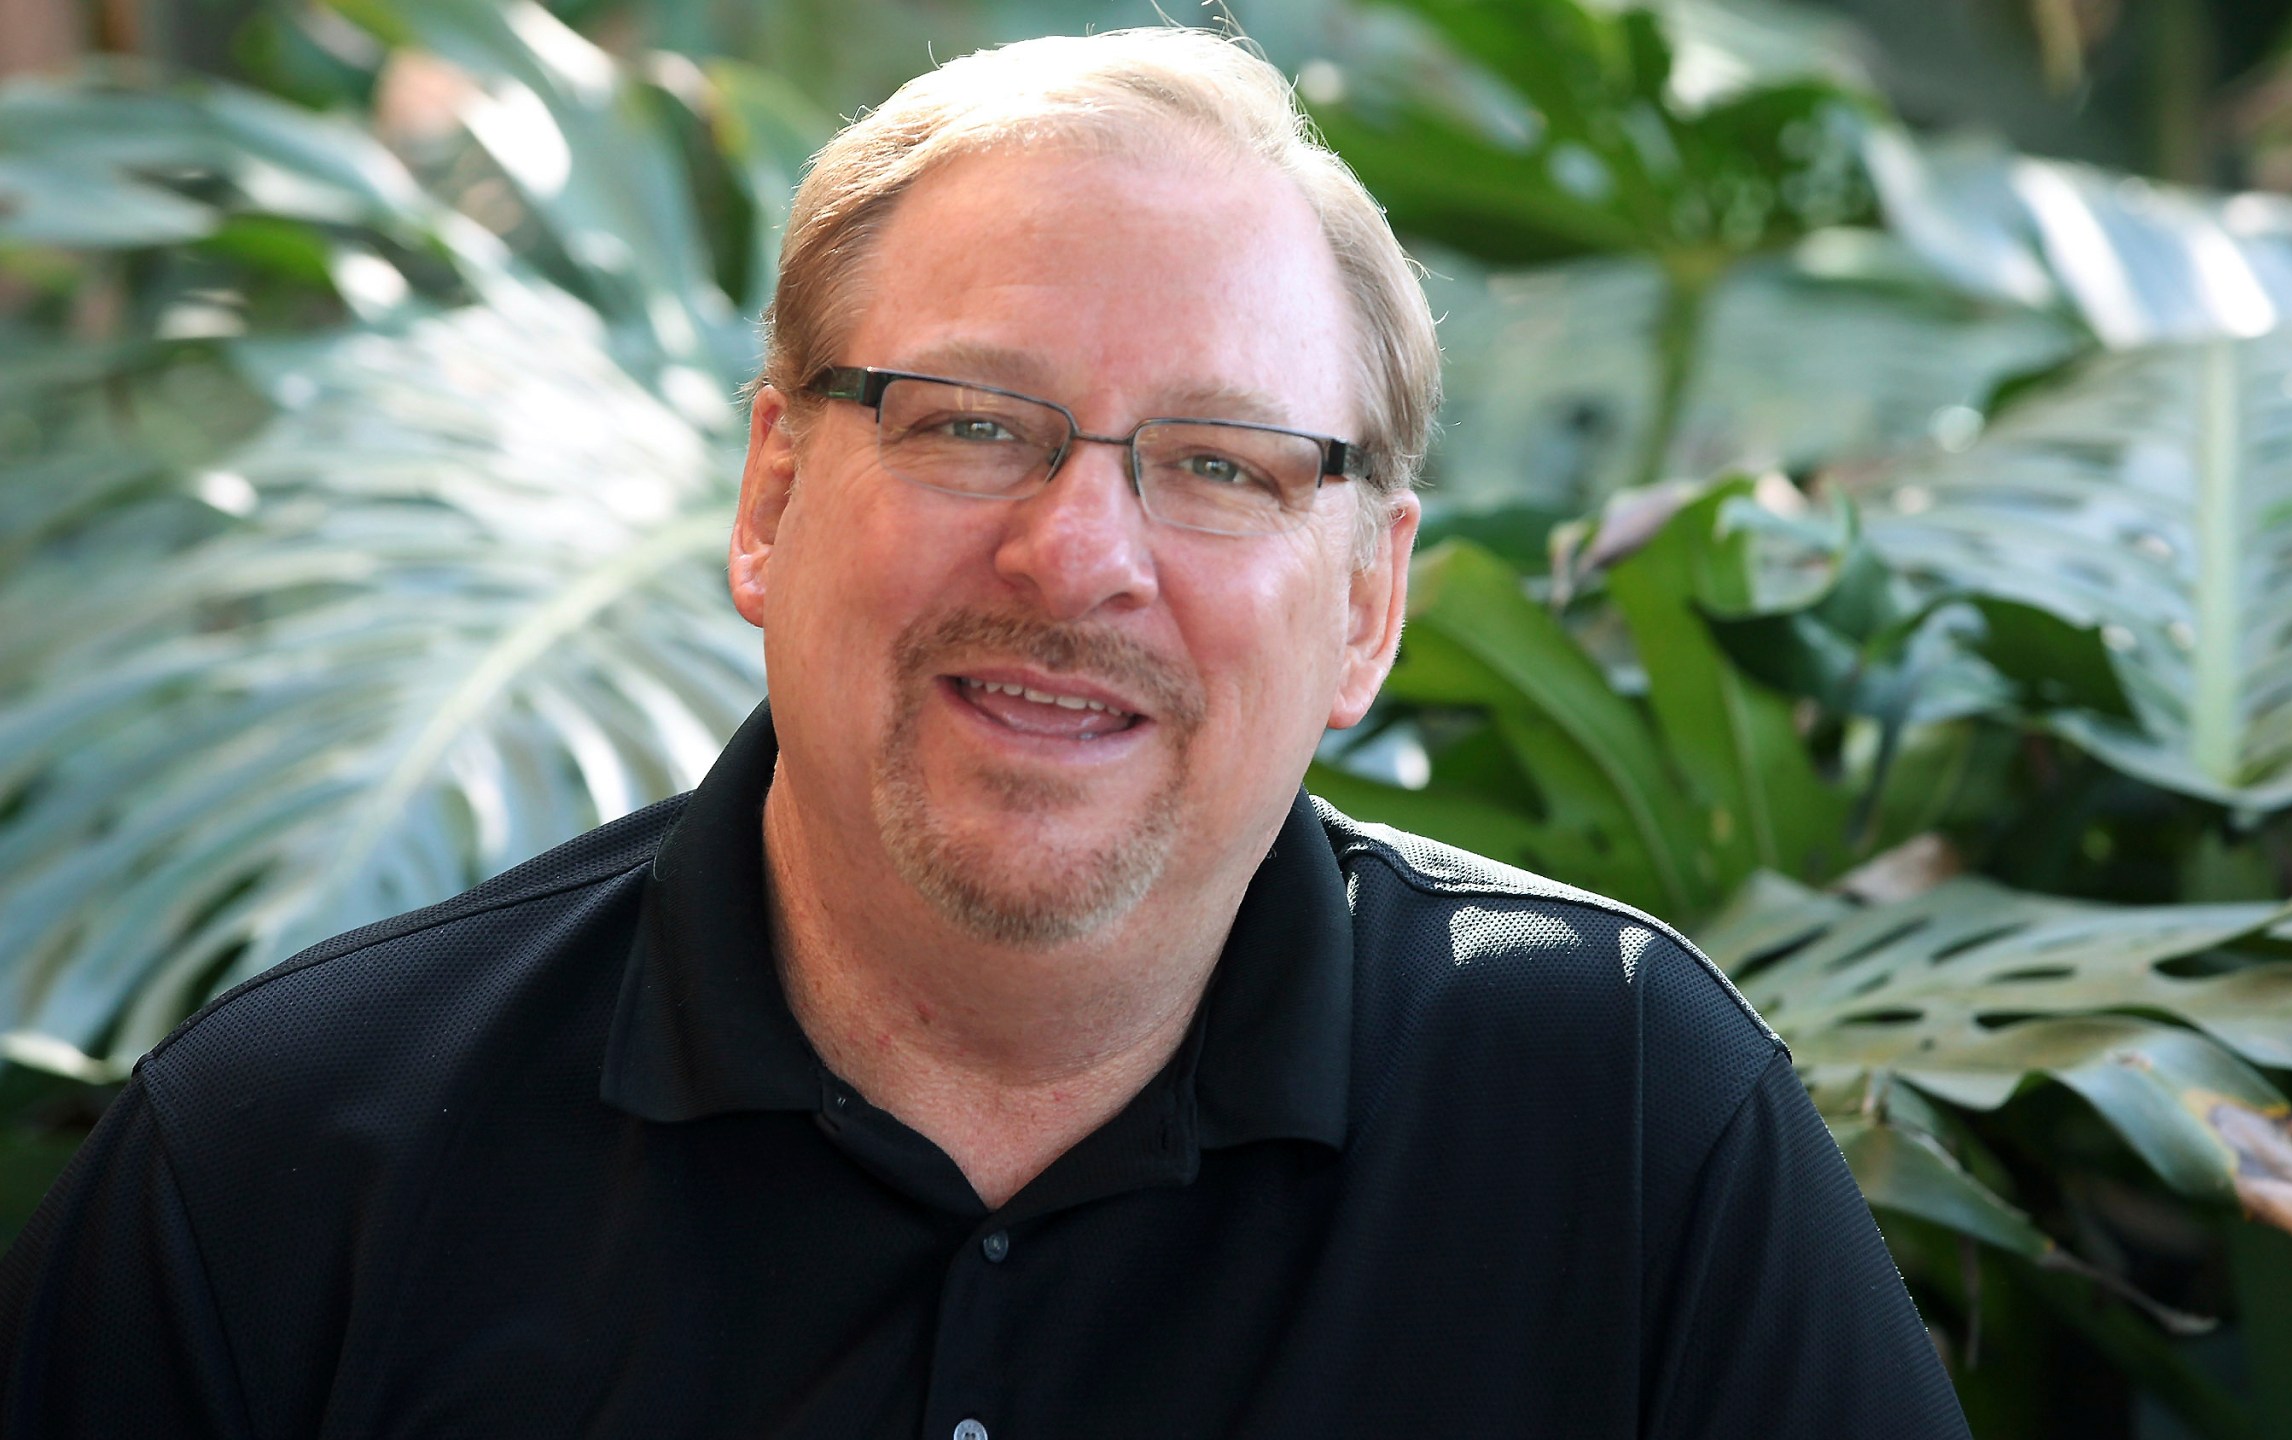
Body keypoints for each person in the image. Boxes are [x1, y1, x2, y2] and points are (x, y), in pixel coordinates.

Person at [0, 27, 1969, 1439]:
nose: (1073, 552)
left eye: (1214, 461)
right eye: (965, 422)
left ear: (1365, 602)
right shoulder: (283, 1166)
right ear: (770, 493)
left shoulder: (1629, 1125)